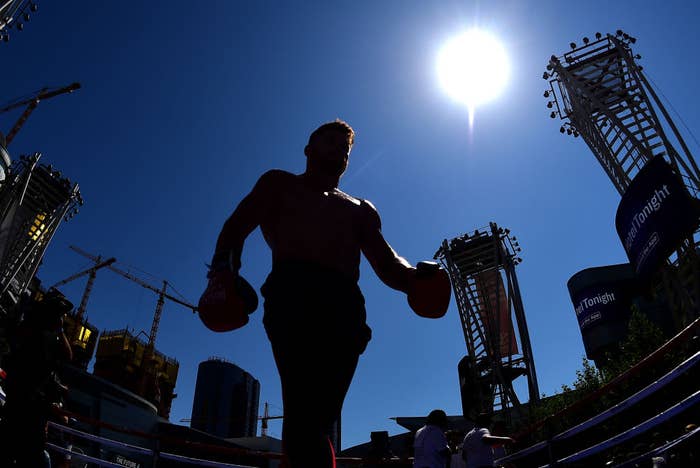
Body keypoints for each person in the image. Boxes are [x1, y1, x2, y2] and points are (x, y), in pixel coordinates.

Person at [207, 119, 444, 467]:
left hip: (346, 309)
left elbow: (386, 261)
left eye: (344, 148)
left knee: (318, 419)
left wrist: (414, 278)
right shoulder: (278, 183)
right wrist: (222, 273)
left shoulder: (361, 209)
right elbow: (234, 227)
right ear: (308, 149)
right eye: (330, 141)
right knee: (304, 415)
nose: (339, 150)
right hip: (293, 295)